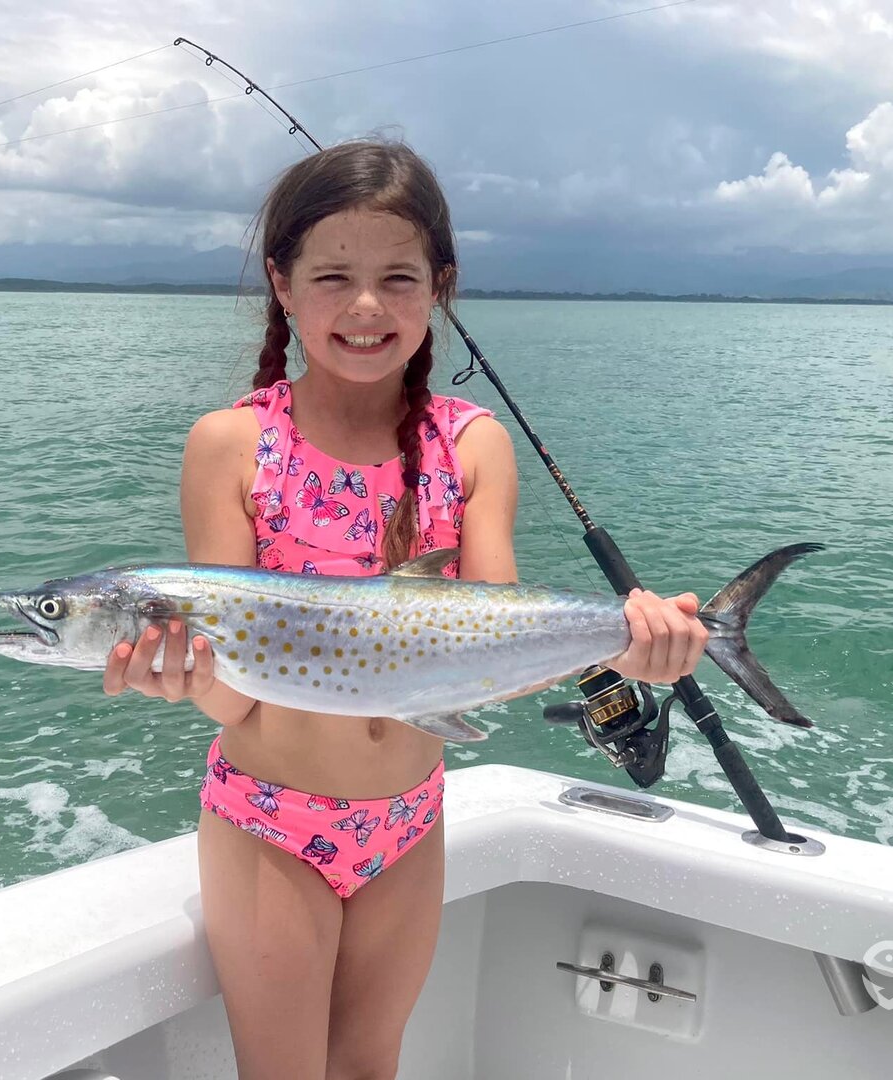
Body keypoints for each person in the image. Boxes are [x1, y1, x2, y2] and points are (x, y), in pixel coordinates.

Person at [103, 138, 708, 1080]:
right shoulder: (231, 444)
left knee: (370, 1066)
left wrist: (623, 650)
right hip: (269, 820)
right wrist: (186, 680)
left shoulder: (473, 444)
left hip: (411, 820)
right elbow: (239, 696)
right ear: (283, 285)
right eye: (332, 278)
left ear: (441, 289)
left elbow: (491, 650)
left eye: (398, 278)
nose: (366, 306)